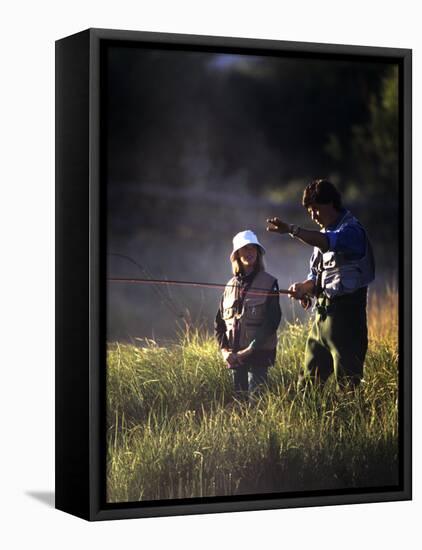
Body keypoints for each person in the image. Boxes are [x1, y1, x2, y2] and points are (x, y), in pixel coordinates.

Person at [266, 179, 375, 389]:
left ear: (331, 203)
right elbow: (317, 277)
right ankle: (308, 420)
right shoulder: (321, 236)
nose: (313, 215)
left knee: (348, 386)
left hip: (347, 319)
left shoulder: (352, 232)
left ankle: (348, 421)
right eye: (309, 211)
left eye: (316, 209)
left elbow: (329, 243)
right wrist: (305, 288)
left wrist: (291, 229)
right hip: (321, 319)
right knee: (307, 384)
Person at [215, 230, 282, 401]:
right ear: (237, 254)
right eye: (245, 248)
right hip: (235, 357)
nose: (250, 252)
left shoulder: (269, 283)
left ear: (258, 253)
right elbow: (219, 324)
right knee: (239, 405)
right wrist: (224, 351)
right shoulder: (229, 286)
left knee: (257, 403)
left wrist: (249, 350)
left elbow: (272, 322)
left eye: (253, 248)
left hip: (258, 356)